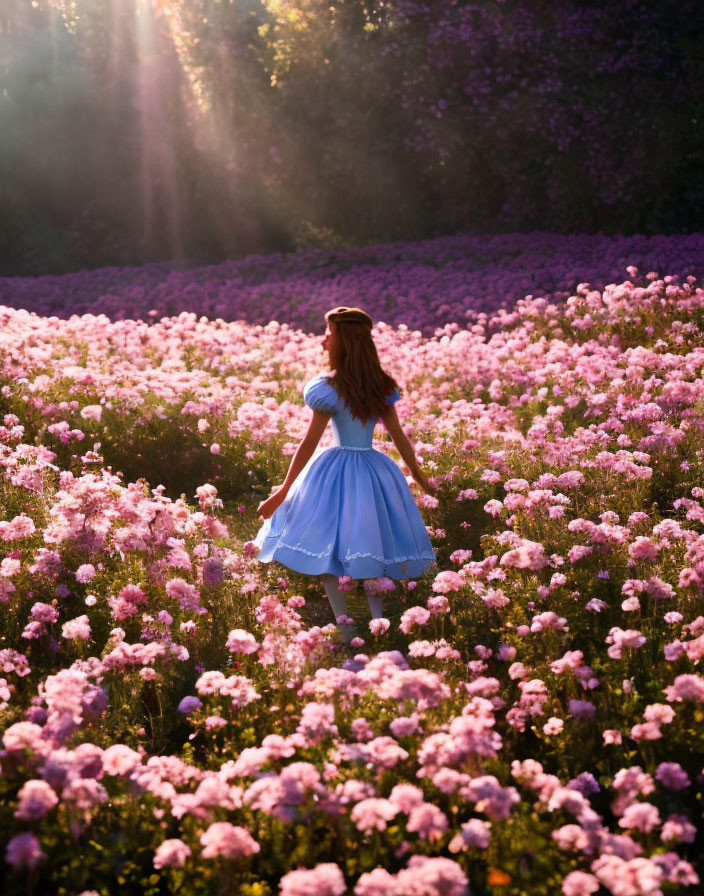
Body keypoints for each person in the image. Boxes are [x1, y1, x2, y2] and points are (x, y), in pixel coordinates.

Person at [253, 305, 437, 644]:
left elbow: (308, 445)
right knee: (370, 546)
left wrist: (283, 492)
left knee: (329, 547)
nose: (324, 339)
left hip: (335, 472)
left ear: (344, 340)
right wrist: (418, 475)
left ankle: (349, 628)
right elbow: (400, 440)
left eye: (329, 333)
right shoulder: (378, 386)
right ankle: (375, 626)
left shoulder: (332, 387)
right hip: (372, 471)